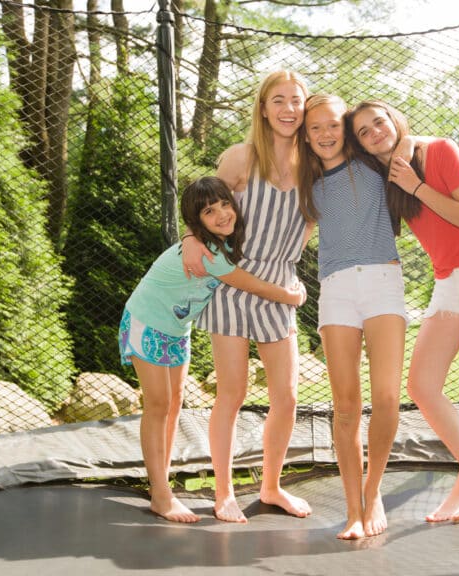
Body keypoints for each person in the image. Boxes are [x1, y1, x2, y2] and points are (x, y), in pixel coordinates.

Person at [346, 100, 459, 523]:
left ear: (394, 120)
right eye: (364, 132)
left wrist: (416, 185)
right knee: (422, 385)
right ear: (361, 145)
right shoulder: (387, 178)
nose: (374, 133)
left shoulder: (440, 150)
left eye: (379, 122)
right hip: (449, 283)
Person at [118, 176, 306, 523]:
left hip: (176, 329)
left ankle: (164, 480)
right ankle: (160, 493)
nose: (222, 214)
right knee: (158, 405)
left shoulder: (220, 242)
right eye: (209, 211)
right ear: (196, 221)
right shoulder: (211, 253)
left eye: (225, 205)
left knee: (174, 405)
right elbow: (252, 285)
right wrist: (294, 296)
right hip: (147, 323)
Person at [181, 70, 315, 523]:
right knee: (232, 394)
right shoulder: (240, 158)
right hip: (233, 284)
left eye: (296, 100)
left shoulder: (313, 168)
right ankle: (223, 492)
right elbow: (203, 212)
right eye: (278, 100)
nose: (288, 109)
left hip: (281, 285)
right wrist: (188, 239)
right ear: (263, 107)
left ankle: (272, 487)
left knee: (288, 396)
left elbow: (307, 227)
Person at [297, 94, 407, 539]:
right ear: (306, 135)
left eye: (332, 126)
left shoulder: (375, 166)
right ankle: (353, 508)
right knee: (345, 407)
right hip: (337, 288)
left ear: (345, 129)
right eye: (314, 128)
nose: (325, 135)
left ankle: (374, 490)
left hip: (382, 280)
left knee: (386, 399)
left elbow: (408, 141)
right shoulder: (305, 181)